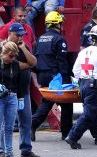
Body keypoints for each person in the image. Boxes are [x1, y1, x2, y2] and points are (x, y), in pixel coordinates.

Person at [66, 25, 97, 149]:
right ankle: (73, 136)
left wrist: (81, 81)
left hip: (83, 84)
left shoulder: (83, 52)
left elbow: (75, 70)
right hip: (94, 84)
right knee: (90, 113)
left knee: (94, 112)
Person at [0, 22, 38, 157]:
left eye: (22, 35)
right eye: (17, 35)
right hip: (9, 92)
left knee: (26, 121)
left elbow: (34, 62)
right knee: (6, 123)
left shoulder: (23, 46)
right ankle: (3, 151)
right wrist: (26, 65)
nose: (20, 37)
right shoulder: (3, 47)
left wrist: (24, 49)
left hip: (23, 91)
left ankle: (26, 148)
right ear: (10, 33)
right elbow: (9, 65)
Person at [31, 11, 73, 140]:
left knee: (47, 103)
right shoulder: (59, 40)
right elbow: (62, 62)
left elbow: (35, 58)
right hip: (56, 76)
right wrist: (67, 79)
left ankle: (32, 126)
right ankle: (66, 134)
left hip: (43, 76)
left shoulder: (40, 39)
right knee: (67, 104)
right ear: (57, 24)